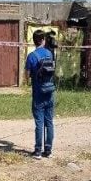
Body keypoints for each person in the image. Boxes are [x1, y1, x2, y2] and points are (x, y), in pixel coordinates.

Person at [25, 29, 56, 159]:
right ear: (43, 40)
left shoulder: (32, 56)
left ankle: (38, 151)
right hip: (50, 92)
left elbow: (27, 76)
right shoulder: (49, 53)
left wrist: (31, 77)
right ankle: (48, 150)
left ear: (33, 41)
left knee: (39, 122)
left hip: (38, 93)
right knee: (49, 122)